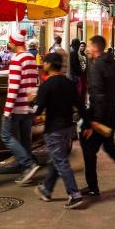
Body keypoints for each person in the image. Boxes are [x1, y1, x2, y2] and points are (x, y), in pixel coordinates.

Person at [81, 35, 115, 195]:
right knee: (109, 146)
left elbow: (98, 95)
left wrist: (95, 121)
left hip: (101, 114)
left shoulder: (97, 66)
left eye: (90, 46)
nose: (88, 49)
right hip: (112, 112)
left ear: (96, 48)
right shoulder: (112, 63)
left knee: (89, 147)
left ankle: (92, 186)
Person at [33, 52, 87, 209]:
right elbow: (80, 105)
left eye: (44, 62)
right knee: (57, 158)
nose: (43, 65)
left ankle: (74, 194)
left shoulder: (46, 85)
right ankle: (46, 189)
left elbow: (38, 109)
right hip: (68, 128)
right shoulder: (69, 83)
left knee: (61, 161)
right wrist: (88, 124)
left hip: (54, 129)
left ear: (49, 65)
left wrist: (33, 104)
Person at [2, 28, 41, 184]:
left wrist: (7, 110)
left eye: (10, 41)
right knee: (25, 139)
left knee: (5, 135)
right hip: (28, 106)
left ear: (15, 43)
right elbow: (35, 82)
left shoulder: (17, 59)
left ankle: (28, 164)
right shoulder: (31, 58)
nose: (8, 44)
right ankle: (26, 173)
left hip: (17, 106)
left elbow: (14, 86)